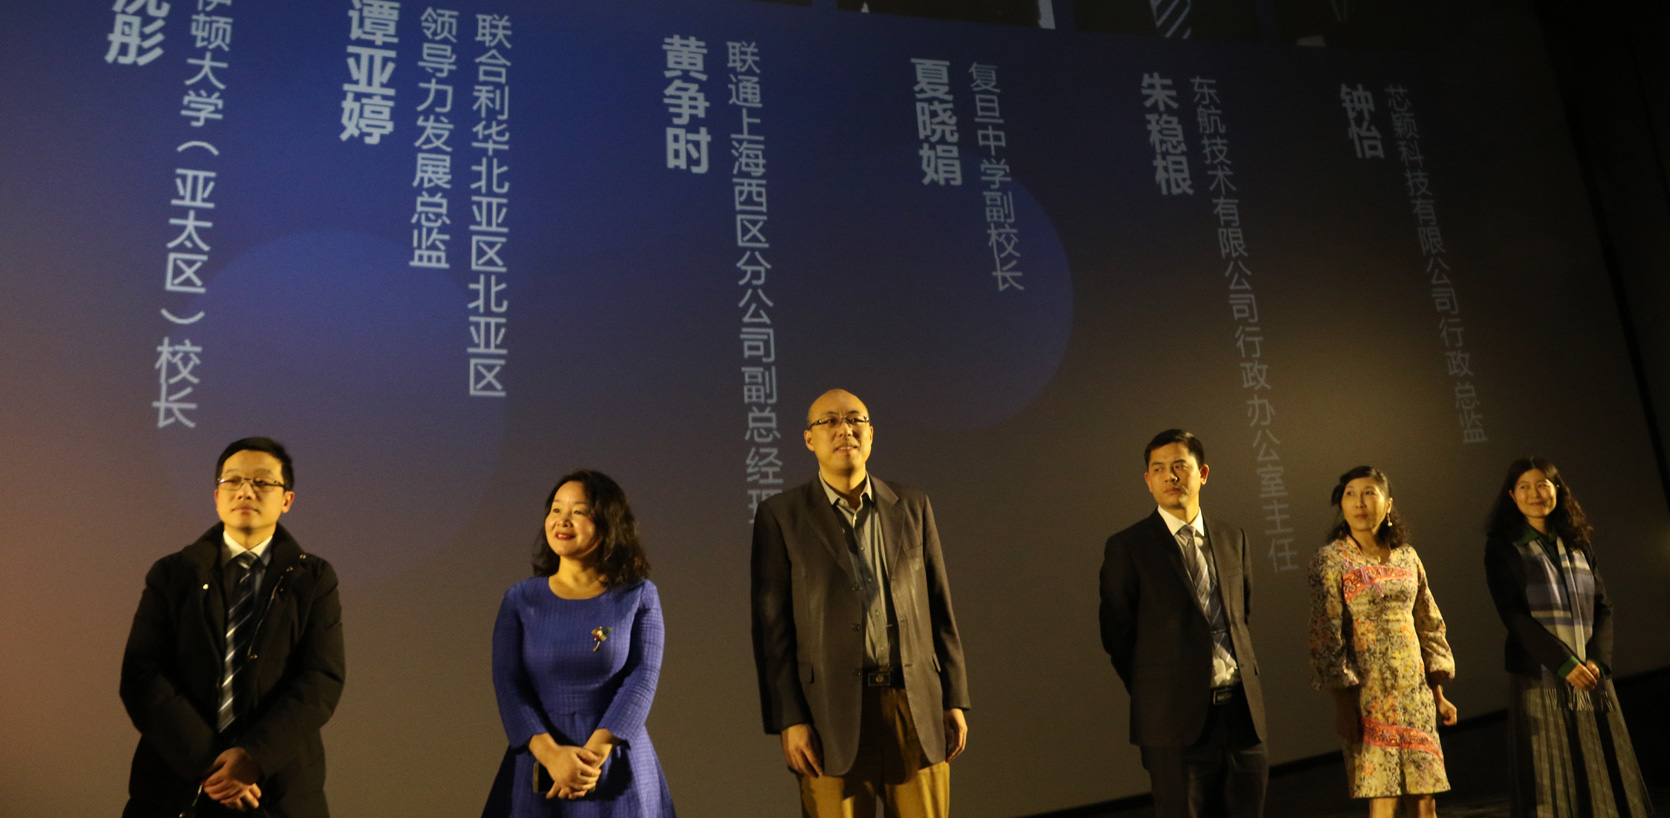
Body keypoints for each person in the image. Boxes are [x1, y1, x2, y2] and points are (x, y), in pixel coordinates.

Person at [751, 388, 971, 818]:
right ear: (809, 439)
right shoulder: (781, 516)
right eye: (829, 421)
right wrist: (789, 719)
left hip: (914, 705)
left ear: (871, 433)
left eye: (855, 419)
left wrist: (955, 698)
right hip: (827, 716)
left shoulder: (912, 505)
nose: (844, 430)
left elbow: (940, 609)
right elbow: (773, 634)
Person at [119, 437, 346, 817]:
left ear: (287, 500)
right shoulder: (173, 574)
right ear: (216, 496)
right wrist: (212, 764)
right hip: (177, 785)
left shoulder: (314, 578)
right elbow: (143, 674)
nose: (245, 491)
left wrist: (253, 757)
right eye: (233, 481)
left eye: (262, 482)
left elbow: (321, 679)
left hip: (278, 790)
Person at [1099, 429, 1267, 818]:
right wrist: (1159, 688)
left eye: (1179, 466)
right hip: (1172, 723)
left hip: (1241, 715)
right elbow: (1117, 635)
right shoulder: (1128, 546)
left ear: (1202, 473)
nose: (1170, 476)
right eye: (1158, 469)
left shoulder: (1232, 537)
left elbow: (1241, 614)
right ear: (1148, 480)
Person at [488, 469, 674, 817]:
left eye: (578, 511)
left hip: (616, 763)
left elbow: (642, 679)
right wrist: (552, 756)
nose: (563, 520)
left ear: (607, 524)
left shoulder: (638, 595)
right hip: (539, 763)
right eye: (556, 509)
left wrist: (591, 758)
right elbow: (508, 685)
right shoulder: (520, 599)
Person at [1483, 457, 1653, 817]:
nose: (1535, 494)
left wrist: (1596, 661)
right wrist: (1565, 664)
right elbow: (1513, 615)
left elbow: (1603, 606)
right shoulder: (1502, 547)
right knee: (1553, 777)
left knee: (1605, 768)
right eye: (1524, 487)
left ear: (1557, 490)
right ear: (1512, 495)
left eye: (1542, 485)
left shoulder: (1576, 540)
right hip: (1540, 675)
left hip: (1591, 676)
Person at [1307, 466, 1456, 818]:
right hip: (1368, 696)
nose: (1360, 503)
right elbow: (1326, 634)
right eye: (1350, 494)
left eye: (1369, 493)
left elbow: (1428, 623)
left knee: (1425, 799)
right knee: (1383, 797)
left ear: (1388, 504)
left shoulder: (1407, 556)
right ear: (1341, 505)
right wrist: (1343, 705)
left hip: (1414, 693)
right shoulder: (1331, 560)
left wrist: (1438, 693)